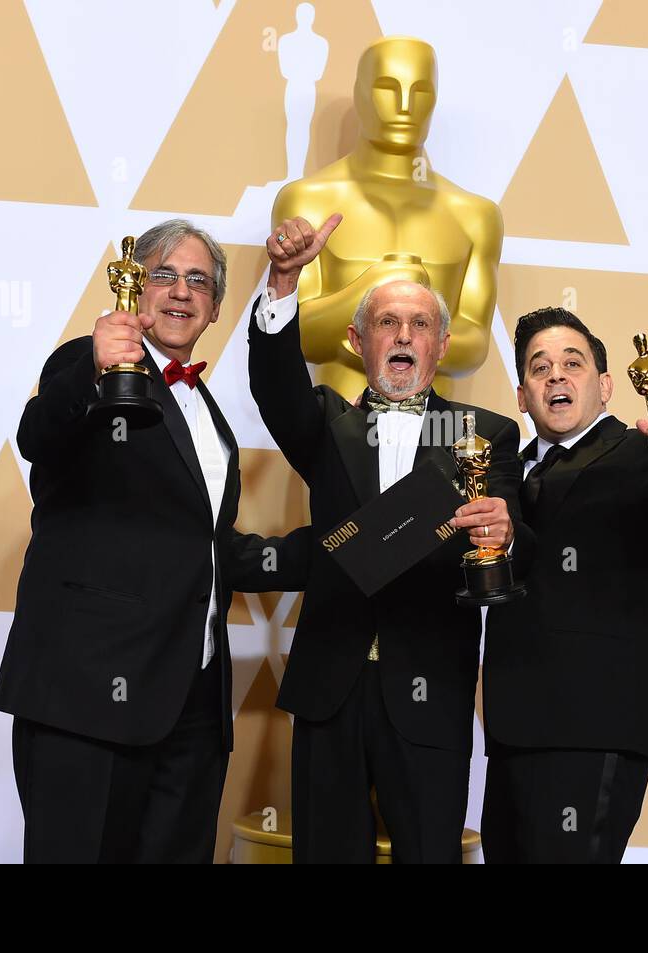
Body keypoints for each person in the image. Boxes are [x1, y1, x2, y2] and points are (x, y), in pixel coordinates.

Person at [0, 219, 311, 863]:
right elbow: (38, 436)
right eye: (164, 274)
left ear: (217, 307)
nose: (181, 292)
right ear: (137, 288)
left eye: (199, 281)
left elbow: (207, 550)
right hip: (90, 696)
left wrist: (342, 548)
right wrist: (93, 363)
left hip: (191, 707)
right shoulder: (91, 370)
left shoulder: (206, 410)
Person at [248, 213, 525, 863]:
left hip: (432, 691)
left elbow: (509, 539)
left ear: (442, 342)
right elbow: (276, 386)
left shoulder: (485, 436)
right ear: (356, 339)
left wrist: (505, 533)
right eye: (387, 322)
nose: (404, 336)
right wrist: (284, 280)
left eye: (420, 324)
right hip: (330, 691)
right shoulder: (324, 425)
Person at [481, 307, 648, 863]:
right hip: (511, 728)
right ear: (522, 395)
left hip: (594, 726)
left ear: (605, 386)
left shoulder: (640, 453)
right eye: (539, 367)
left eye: (572, 364)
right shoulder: (504, 471)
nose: (556, 376)